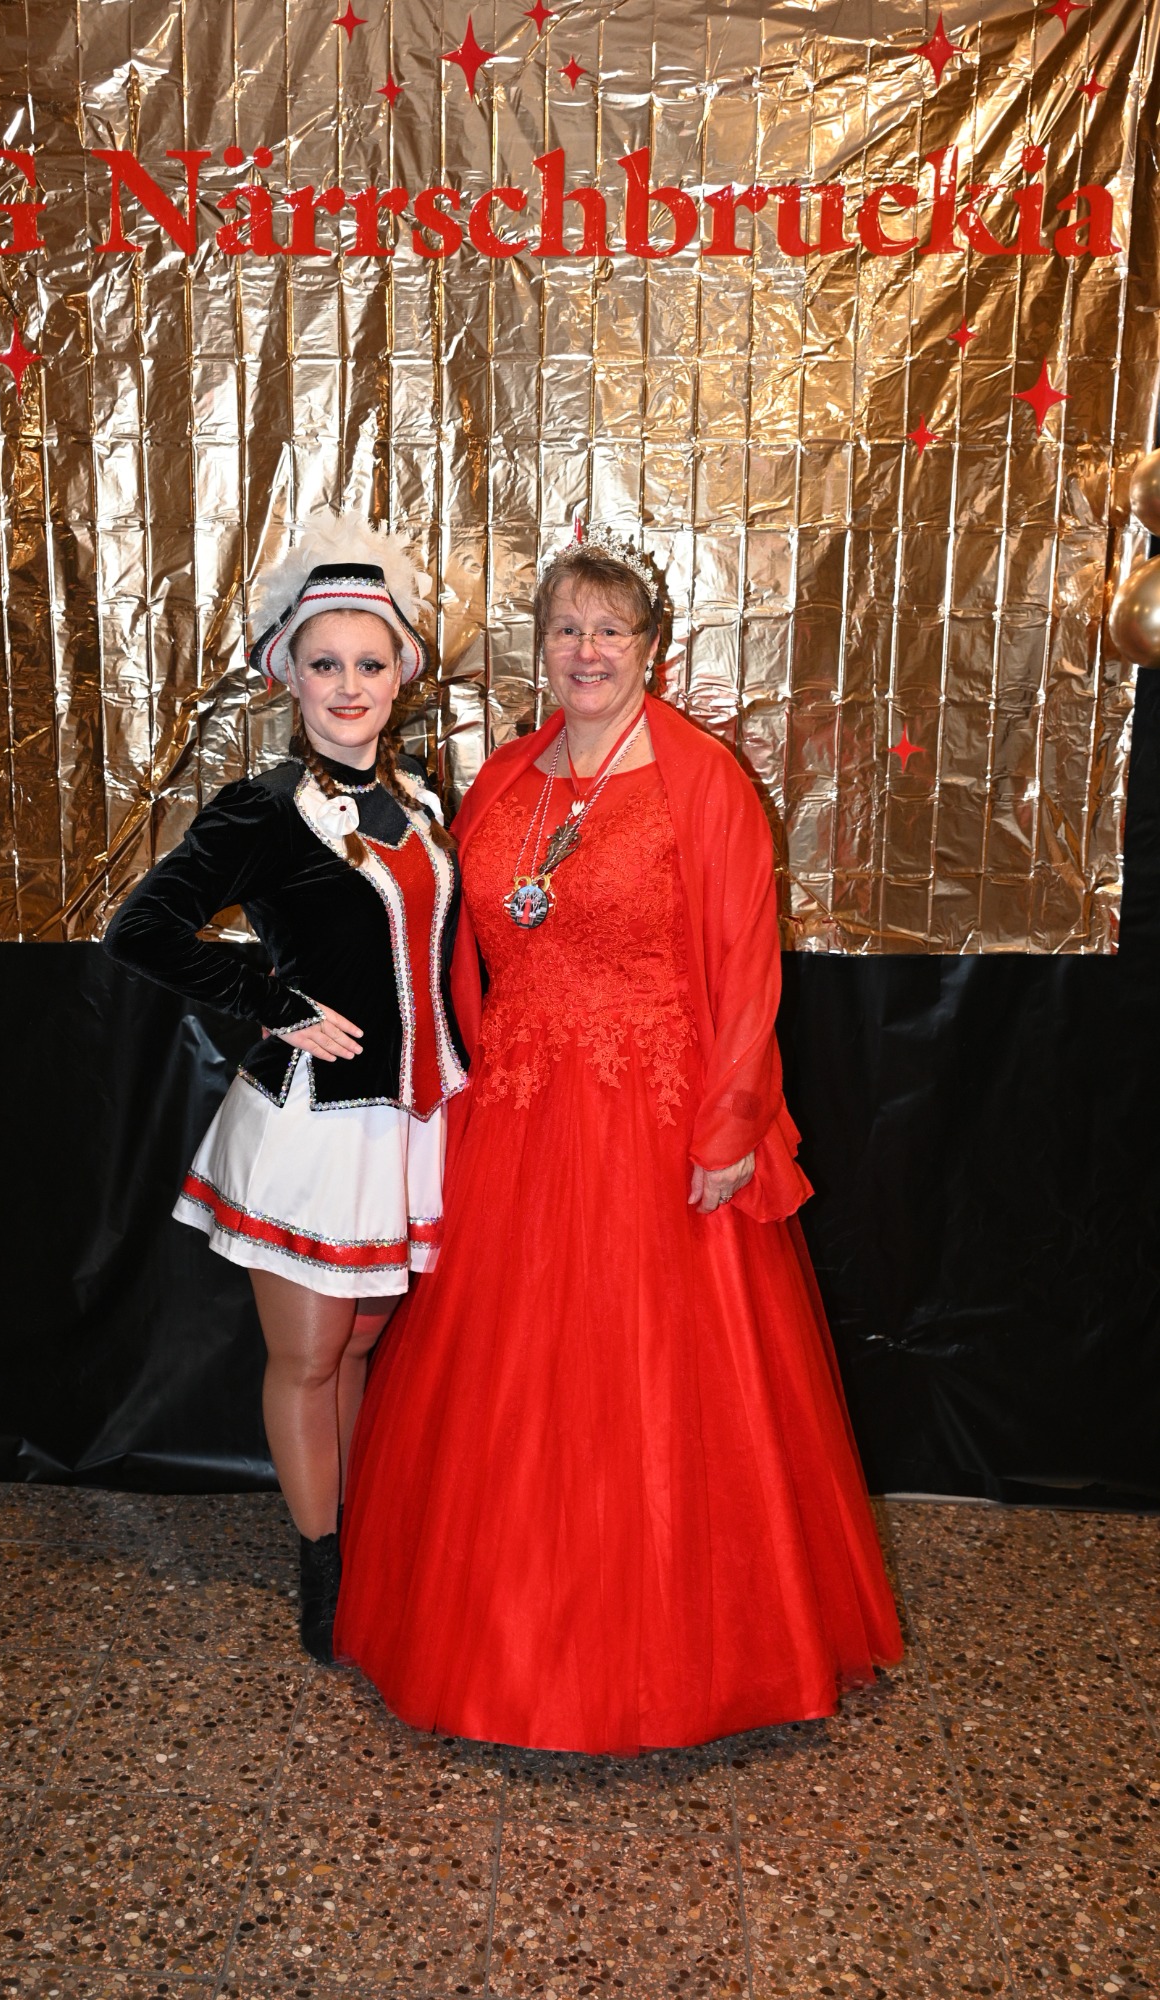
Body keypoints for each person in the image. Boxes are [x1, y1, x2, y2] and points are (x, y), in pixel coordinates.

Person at [334, 526, 903, 1754]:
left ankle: (672, 1661)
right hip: (517, 1114)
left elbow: (747, 968)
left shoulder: (704, 780)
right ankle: (504, 1642)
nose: (586, 650)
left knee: (651, 1389)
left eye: (609, 629)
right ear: (542, 646)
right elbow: (456, 939)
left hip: (656, 1119)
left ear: (652, 645)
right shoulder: (508, 777)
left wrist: (731, 1123)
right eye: (566, 629)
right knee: (509, 1389)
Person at [103, 522, 467, 1666]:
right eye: (325, 663)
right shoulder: (262, 807)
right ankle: (323, 1567)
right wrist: (270, 996)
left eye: (370, 662)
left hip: (411, 1125)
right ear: (288, 674)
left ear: (401, 674)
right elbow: (141, 927)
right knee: (309, 1356)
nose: (349, 685)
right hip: (313, 1129)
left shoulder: (425, 803)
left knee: (357, 1347)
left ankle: (358, 1537)